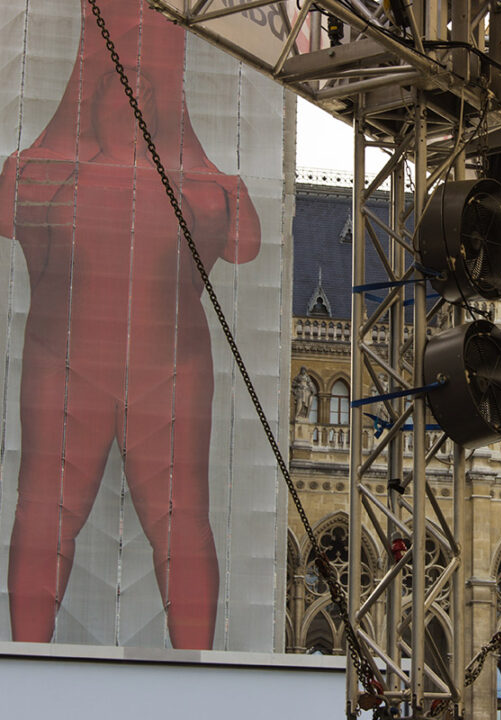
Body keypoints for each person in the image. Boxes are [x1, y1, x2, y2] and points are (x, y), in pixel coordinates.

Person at [0, 0, 261, 649]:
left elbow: (248, 244)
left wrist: (225, 191)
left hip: (167, 370)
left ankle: (194, 680)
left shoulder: (203, 187)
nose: (135, 96)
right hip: (67, 366)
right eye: (122, 85)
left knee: (181, 526)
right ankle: (23, 667)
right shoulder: (37, 173)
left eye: (148, 89)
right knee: (44, 517)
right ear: (91, 97)